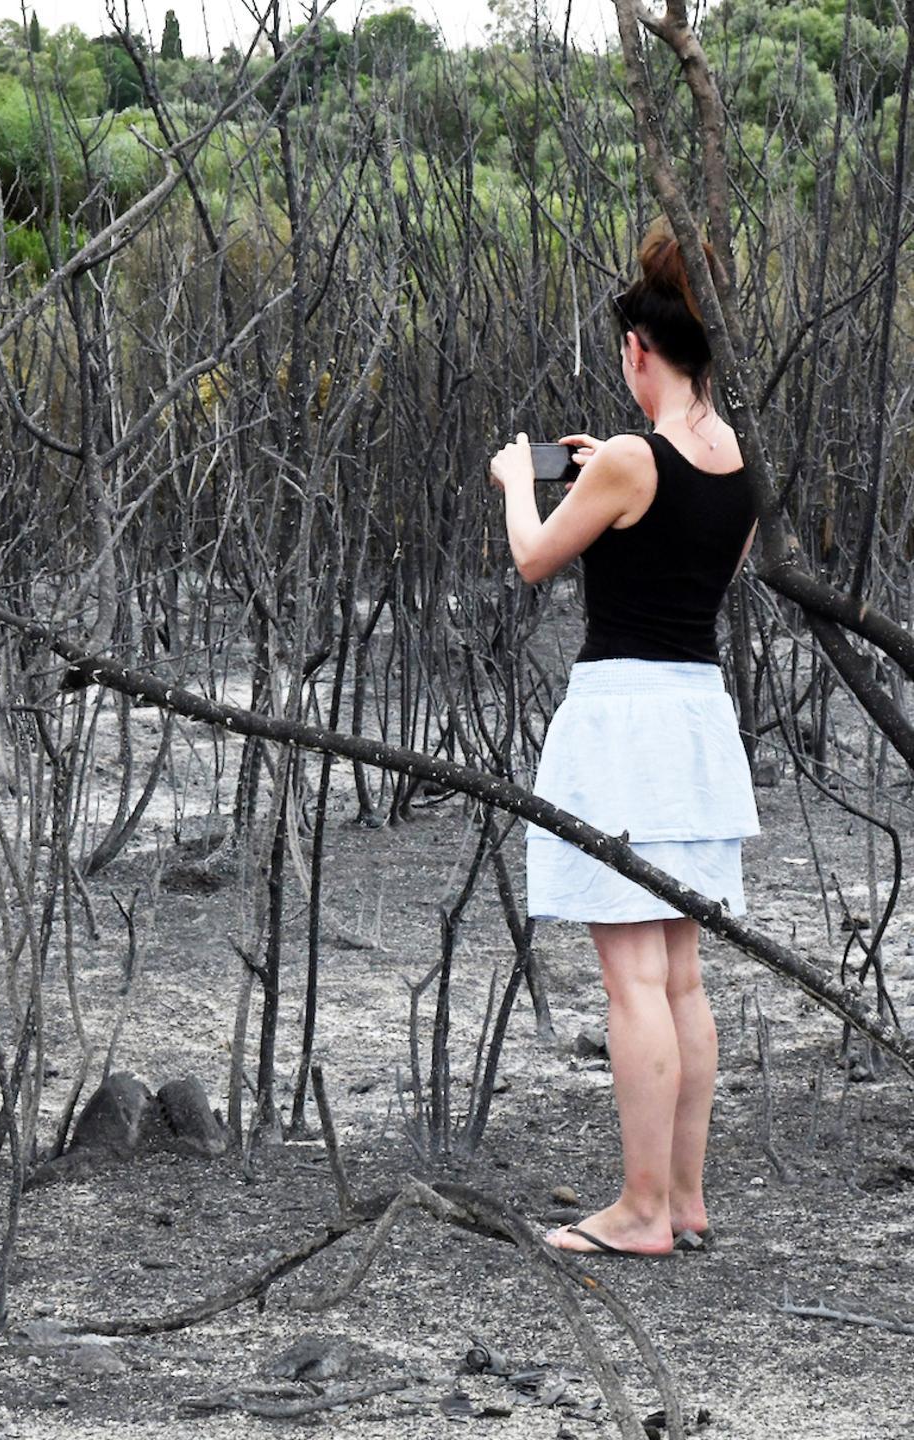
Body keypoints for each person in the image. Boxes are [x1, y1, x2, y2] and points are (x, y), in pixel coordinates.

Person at [488, 220, 760, 1258]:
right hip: (698, 718)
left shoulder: (627, 464)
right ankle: (682, 1198)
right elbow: (695, 561)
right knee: (681, 976)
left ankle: (643, 1209)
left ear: (642, 351)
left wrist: (524, 481)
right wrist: (622, 470)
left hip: (624, 722)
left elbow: (533, 561)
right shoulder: (736, 463)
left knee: (632, 980)